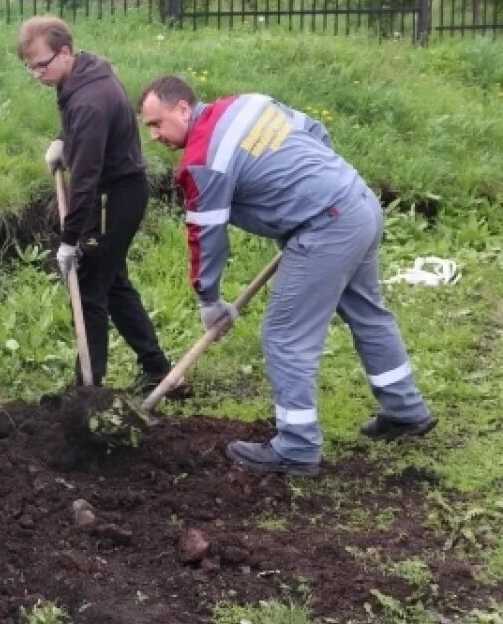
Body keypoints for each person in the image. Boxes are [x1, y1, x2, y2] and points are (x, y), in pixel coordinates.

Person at [138, 75, 437, 476]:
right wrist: (316, 187)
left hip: (326, 226)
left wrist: (209, 301)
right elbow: (315, 131)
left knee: (284, 335)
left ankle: (296, 448)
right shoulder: (247, 104)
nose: (155, 135)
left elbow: (206, 237)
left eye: (157, 123)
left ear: (183, 107)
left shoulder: (202, 161)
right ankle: (405, 409)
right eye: (149, 128)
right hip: (356, 200)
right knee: (367, 312)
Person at [16, 16, 172, 392]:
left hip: (113, 197)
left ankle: (89, 385)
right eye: (29, 67)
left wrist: (70, 241)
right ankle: (157, 368)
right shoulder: (86, 71)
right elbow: (81, 136)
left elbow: (83, 182)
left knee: (89, 286)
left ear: (65, 52)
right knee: (113, 282)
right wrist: (63, 139)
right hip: (119, 190)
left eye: (41, 64)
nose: (36, 74)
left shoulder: (89, 101)